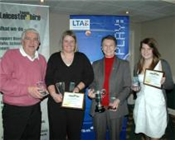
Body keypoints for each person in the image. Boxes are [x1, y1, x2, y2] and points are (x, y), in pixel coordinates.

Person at [45, 30, 94, 140]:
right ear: (62, 42)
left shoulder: (82, 58)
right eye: (66, 41)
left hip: (75, 103)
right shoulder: (54, 58)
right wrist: (53, 94)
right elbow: (48, 79)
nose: (69, 44)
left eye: (72, 41)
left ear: (75, 43)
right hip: (56, 103)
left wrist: (78, 88)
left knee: (75, 134)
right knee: (57, 135)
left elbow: (89, 76)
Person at [0, 28, 47, 139]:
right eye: (28, 39)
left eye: (35, 39)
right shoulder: (10, 55)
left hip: (35, 110)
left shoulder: (42, 60)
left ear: (39, 43)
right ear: (22, 41)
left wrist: (44, 90)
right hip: (14, 111)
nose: (32, 42)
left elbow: (44, 81)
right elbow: (1, 82)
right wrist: (28, 90)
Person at [88, 35, 131, 140]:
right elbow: (92, 83)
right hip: (99, 107)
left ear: (116, 47)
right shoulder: (95, 64)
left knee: (114, 137)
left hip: (115, 107)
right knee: (99, 137)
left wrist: (118, 100)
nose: (108, 48)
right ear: (101, 48)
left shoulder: (124, 64)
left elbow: (127, 87)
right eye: (105, 45)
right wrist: (92, 90)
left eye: (111, 45)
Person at [131, 38, 174, 140]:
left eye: (149, 49)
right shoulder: (137, 65)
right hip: (141, 103)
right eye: (143, 48)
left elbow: (170, 86)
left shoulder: (162, 63)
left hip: (156, 104)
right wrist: (135, 88)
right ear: (140, 49)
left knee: (156, 133)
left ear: (154, 50)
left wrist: (163, 83)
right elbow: (136, 84)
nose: (145, 51)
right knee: (144, 128)